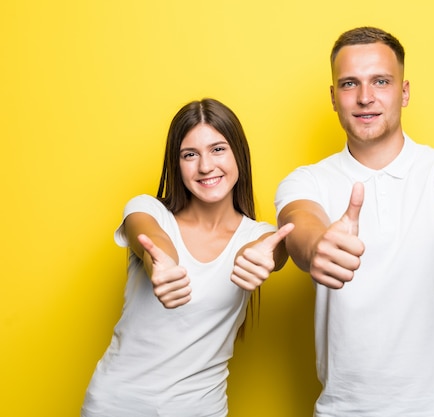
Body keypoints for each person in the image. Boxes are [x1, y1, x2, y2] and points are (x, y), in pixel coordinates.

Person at [275, 27, 434, 417]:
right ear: (333, 98)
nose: (365, 97)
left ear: (404, 92)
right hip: (347, 411)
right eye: (349, 83)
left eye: (381, 82)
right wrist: (316, 245)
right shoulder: (307, 181)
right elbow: (300, 224)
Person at [82, 98, 293, 417]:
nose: (206, 166)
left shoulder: (256, 236)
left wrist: (271, 255)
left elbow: (271, 249)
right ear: (176, 164)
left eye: (218, 149)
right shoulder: (149, 211)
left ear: (239, 153)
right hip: (114, 406)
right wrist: (161, 263)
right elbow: (152, 239)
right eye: (190, 155)